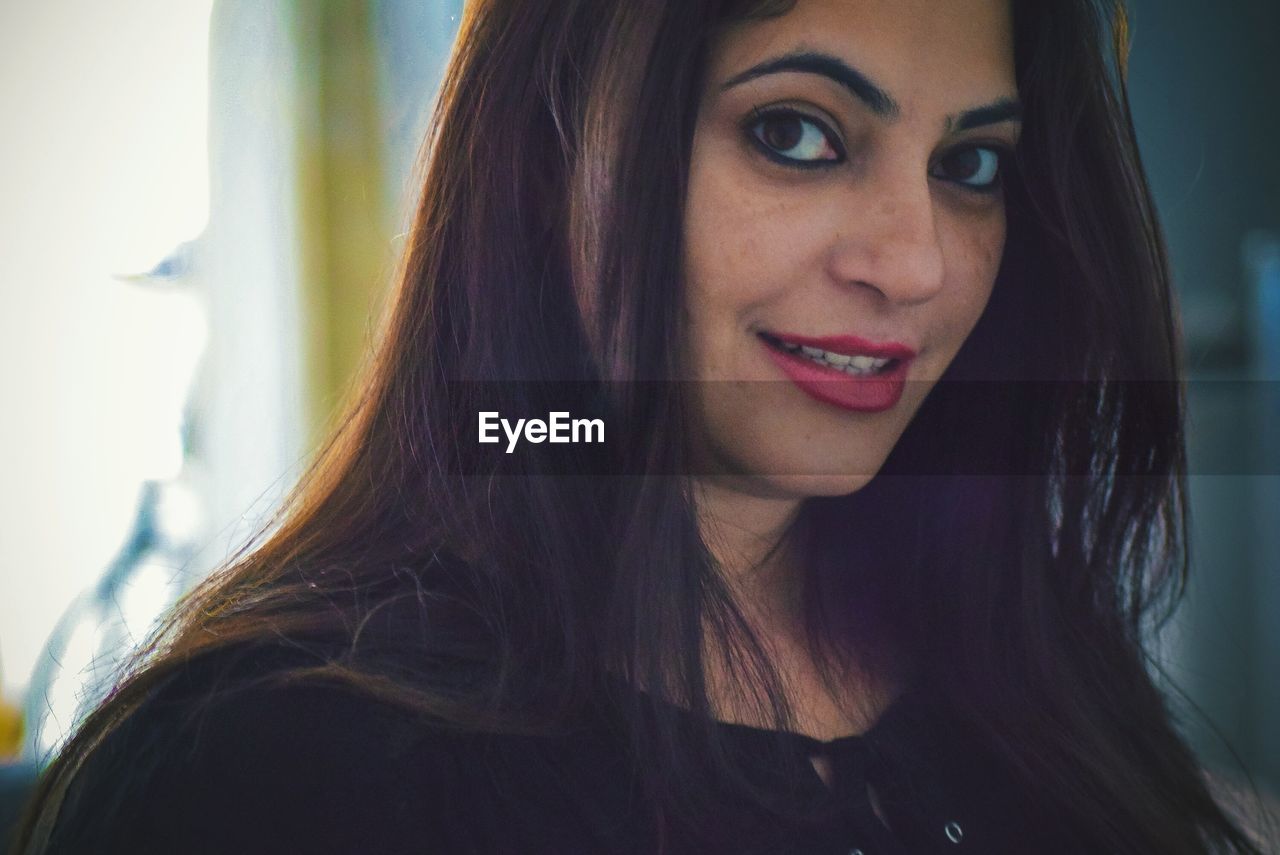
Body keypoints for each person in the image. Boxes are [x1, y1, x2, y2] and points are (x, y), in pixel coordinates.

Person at [11, 0, 1273, 852]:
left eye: (971, 166)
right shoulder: (251, 764)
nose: (919, 262)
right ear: (553, 147)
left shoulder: (1031, 665)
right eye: (795, 134)